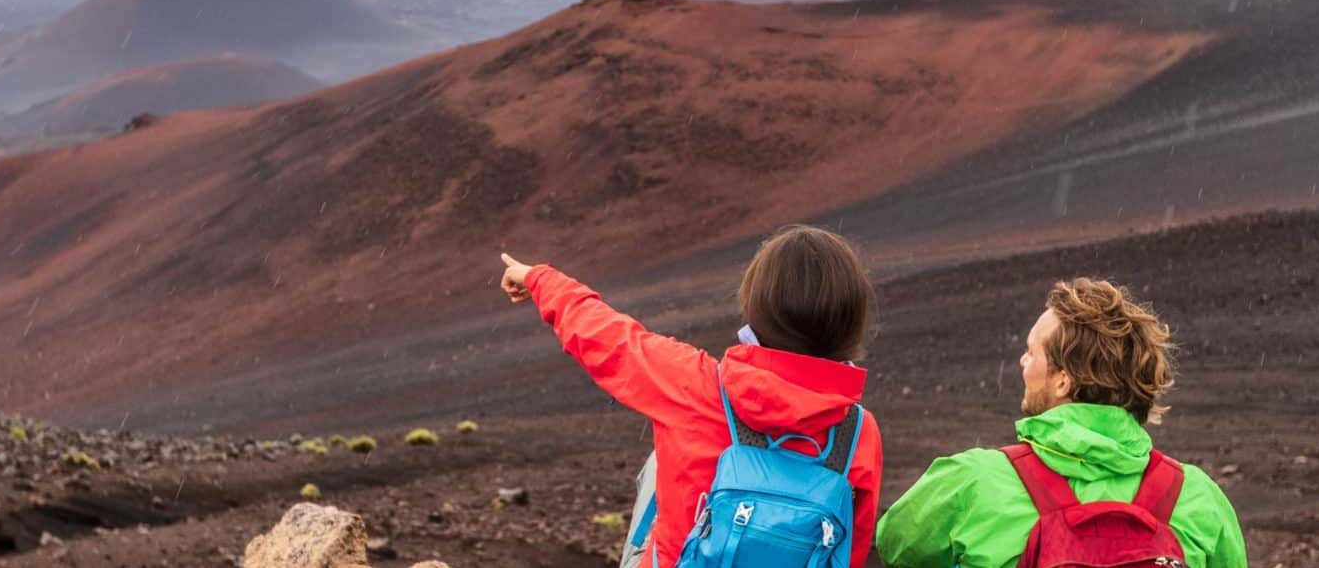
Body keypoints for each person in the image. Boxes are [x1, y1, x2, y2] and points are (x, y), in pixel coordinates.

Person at [500, 225, 884, 567]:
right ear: (851, 320)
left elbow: (607, 337)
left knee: (660, 462)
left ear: (758, 308)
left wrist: (539, 279)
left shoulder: (694, 386)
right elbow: (849, 549)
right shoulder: (858, 432)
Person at [874, 278, 1247, 568]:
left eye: (1031, 352)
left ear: (1062, 381)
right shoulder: (1198, 497)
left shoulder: (972, 482)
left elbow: (893, 546)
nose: (1023, 363)